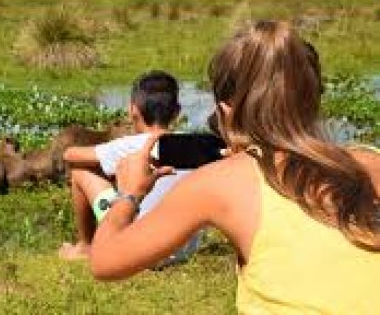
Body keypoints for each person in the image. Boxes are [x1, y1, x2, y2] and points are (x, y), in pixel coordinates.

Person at [89, 21, 380, 314]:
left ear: (226, 112)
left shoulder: (219, 183)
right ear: (315, 98)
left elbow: (105, 261)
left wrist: (128, 195)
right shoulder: (371, 161)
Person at [58, 70, 201, 262]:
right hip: (183, 251)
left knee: (80, 171)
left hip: (136, 251)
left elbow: (70, 154)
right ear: (176, 111)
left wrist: (111, 158)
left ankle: (85, 246)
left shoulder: (129, 145)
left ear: (132, 110)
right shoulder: (196, 145)